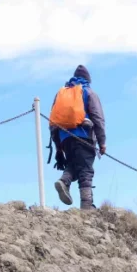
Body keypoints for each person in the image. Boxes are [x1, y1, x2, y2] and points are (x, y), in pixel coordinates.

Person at [49, 65, 107, 210]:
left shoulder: (61, 94)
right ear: (88, 79)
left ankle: (64, 181)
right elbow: (98, 119)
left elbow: (53, 123)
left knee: (74, 164)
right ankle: (87, 207)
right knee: (86, 170)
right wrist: (102, 142)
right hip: (84, 137)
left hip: (65, 139)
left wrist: (58, 148)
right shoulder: (88, 92)